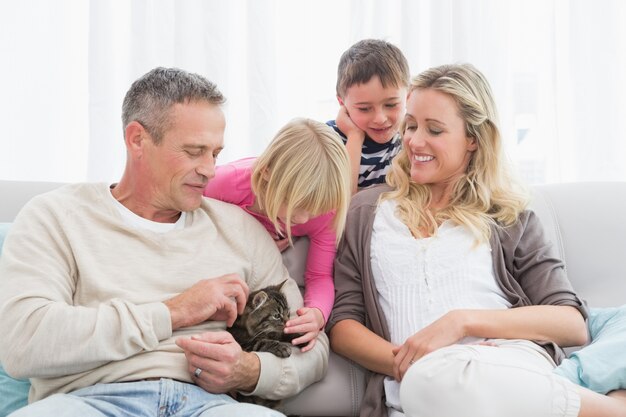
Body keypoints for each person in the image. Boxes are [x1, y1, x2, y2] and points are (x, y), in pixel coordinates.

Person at [0, 67, 328, 417]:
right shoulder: (55, 216)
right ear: (137, 139)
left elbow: (313, 350)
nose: (210, 170)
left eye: (215, 153)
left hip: (208, 406)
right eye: (194, 151)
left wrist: (249, 370)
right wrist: (174, 311)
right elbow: (24, 341)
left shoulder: (241, 229)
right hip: (88, 401)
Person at [327, 63, 626, 417]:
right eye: (410, 126)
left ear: (473, 138)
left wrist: (462, 321)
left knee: (432, 380)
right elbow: (344, 324)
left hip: (506, 366)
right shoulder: (367, 212)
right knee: (426, 382)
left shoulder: (507, 216)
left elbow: (570, 322)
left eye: (434, 130)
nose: (413, 141)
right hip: (415, 390)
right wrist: (407, 364)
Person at [203, 118, 351, 352]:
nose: (304, 219)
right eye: (297, 205)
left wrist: (317, 313)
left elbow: (319, 275)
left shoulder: (324, 214)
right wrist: (254, 239)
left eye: (315, 210)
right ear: (266, 175)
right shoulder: (224, 184)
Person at [327, 39, 410, 194]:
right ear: (342, 103)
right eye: (364, 109)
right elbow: (344, 203)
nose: (380, 118)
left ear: (409, 95)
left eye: (391, 105)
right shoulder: (327, 142)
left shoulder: (409, 140)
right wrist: (354, 137)